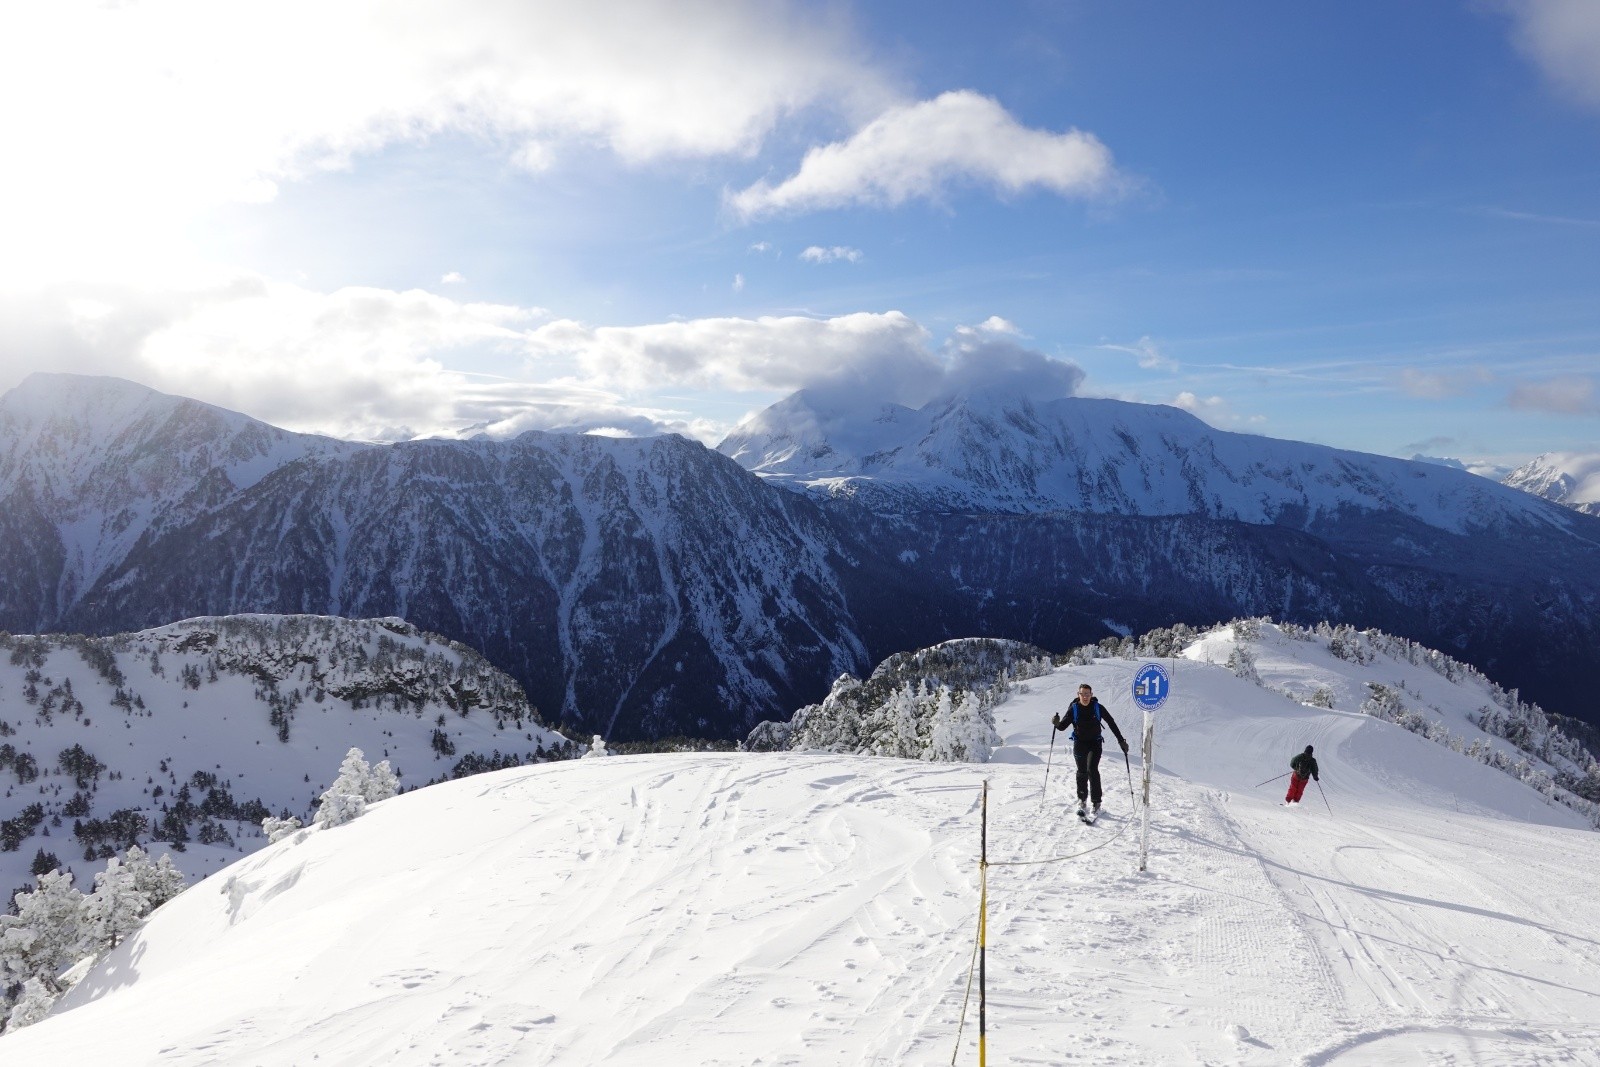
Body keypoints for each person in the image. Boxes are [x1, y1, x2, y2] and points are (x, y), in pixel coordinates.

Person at [1051, 683, 1129, 820]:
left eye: (1087, 694)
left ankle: (1097, 803)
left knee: (1092, 769)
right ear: (1078, 695)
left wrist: (1121, 740)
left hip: (1095, 743)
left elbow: (1111, 723)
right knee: (1081, 771)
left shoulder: (1098, 707)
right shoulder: (1074, 708)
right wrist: (1056, 723)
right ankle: (1082, 800)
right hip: (1080, 743)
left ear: (1091, 695)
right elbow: (1062, 726)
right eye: (1083, 694)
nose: (1085, 697)